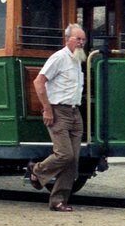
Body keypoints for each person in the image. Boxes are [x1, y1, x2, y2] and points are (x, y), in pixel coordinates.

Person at [26, 24, 87, 212]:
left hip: (75, 112)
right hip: (58, 111)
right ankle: (37, 170)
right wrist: (47, 109)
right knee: (64, 154)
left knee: (72, 160)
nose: (81, 43)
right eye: (78, 39)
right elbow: (39, 81)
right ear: (67, 39)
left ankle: (58, 200)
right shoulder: (59, 58)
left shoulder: (77, 60)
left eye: (83, 40)